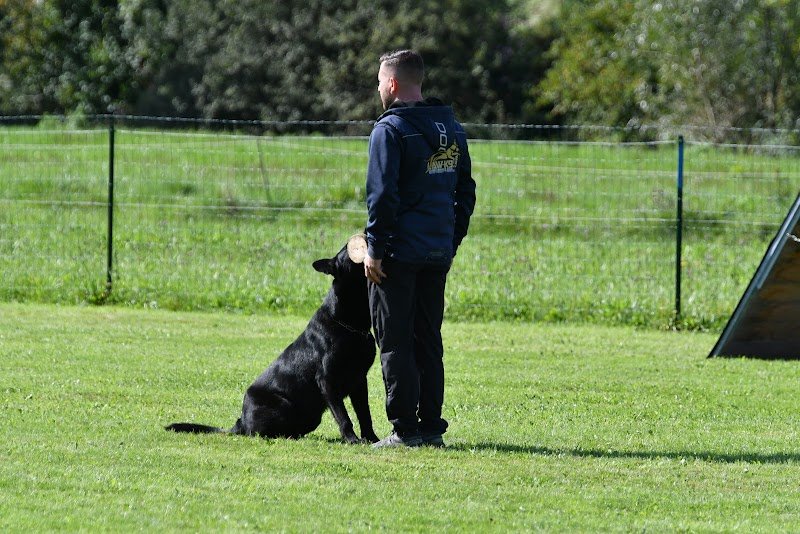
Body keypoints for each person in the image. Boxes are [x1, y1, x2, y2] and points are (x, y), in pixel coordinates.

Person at [364, 49, 476, 448]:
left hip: (396, 255)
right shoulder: (452, 127)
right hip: (435, 251)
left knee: (395, 341)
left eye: (379, 80)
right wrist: (451, 238)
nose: (377, 87)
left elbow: (382, 196)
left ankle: (404, 431)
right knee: (428, 339)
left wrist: (374, 248)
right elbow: (466, 190)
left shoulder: (389, 130)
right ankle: (430, 428)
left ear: (392, 84)